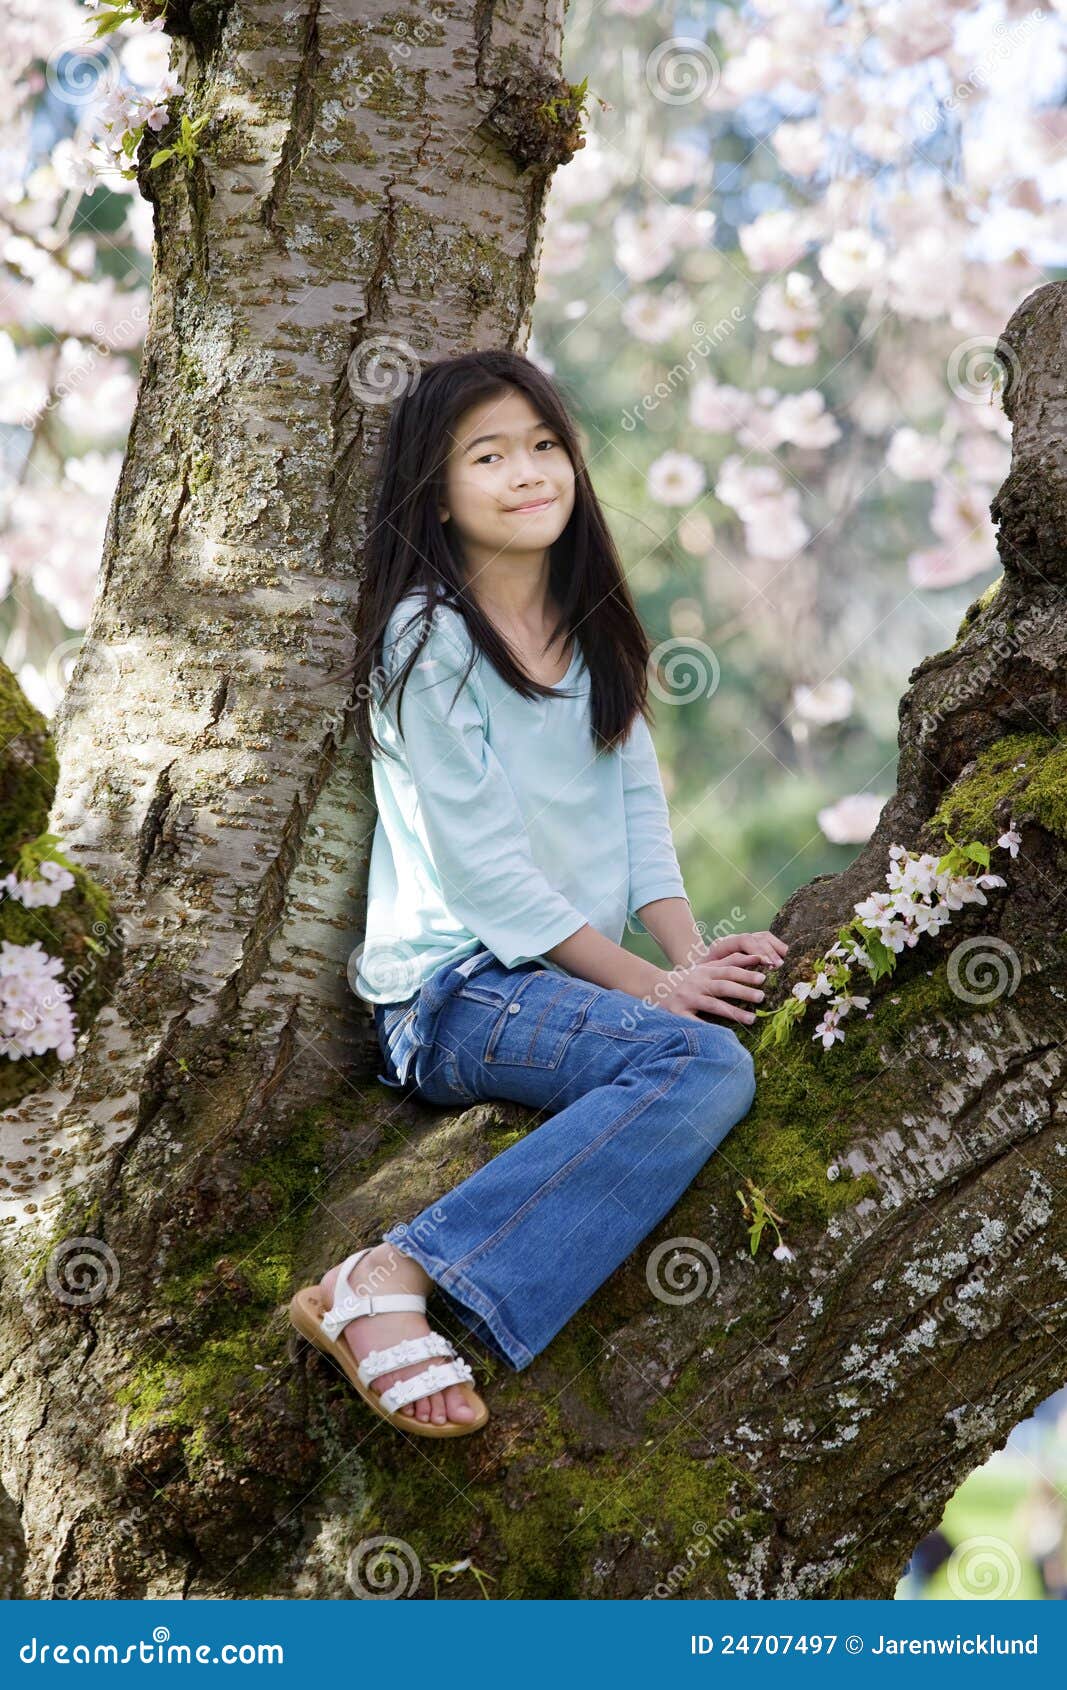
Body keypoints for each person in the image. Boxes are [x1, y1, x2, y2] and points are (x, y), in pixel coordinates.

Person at [288, 349, 784, 1437]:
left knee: (707, 1040)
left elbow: (636, 816)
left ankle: (420, 1273)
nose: (529, 472)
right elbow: (488, 878)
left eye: (545, 445)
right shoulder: (428, 640)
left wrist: (686, 955)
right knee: (696, 1059)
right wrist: (652, 992)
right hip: (449, 992)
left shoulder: (592, 620)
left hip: (550, 981)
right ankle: (389, 1272)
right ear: (437, 488)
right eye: (490, 454)